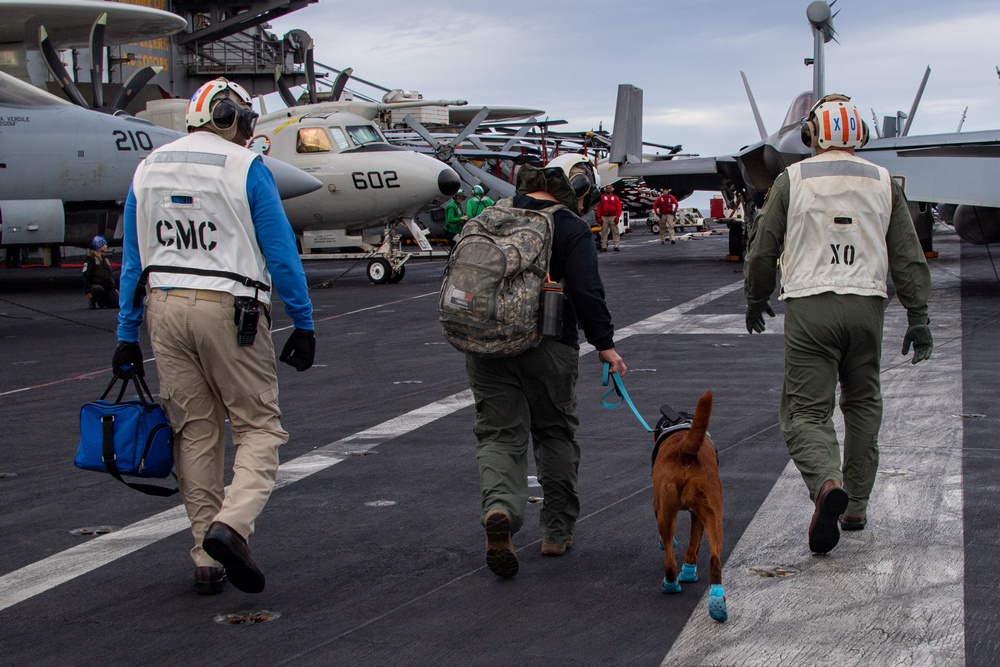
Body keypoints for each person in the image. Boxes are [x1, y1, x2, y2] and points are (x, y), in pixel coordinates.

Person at [114, 78, 316, 595]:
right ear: (232, 120)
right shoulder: (245, 167)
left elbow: (133, 261)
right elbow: (280, 252)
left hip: (164, 307)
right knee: (259, 428)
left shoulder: (148, 167)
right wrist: (304, 321)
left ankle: (206, 554)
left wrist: (125, 333)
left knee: (196, 432)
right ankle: (233, 527)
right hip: (233, 310)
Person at [743, 93, 932, 555]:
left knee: (806, 412)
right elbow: (908, 254)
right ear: (859, 135)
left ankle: (828, 484)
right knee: (864, 402)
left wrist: (755, 295)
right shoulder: (885, 181)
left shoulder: (793, 178)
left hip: (811, 307)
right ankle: (857, 506)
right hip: (867, 305)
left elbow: (764, 246)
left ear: (812, 135)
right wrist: (919, 315)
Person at [464, 154, 627, 578]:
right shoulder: (569, 225)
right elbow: (587, 292)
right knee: (554, 433)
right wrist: (605, 346)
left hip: (485, 345)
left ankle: (500, 508)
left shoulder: (490, 217)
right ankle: (556, 531)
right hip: (548, 343)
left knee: (499, 436)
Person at [83, 235, 119, 309]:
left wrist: (114, 288)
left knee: (116, 303)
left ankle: (103, 301)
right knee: (98, 290)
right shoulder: (90, 259)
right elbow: (86, 275)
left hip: (107, 285)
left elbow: (109, 275)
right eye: (104, 245)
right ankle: (93, 300)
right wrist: (87, 291)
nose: (106, 246)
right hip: (96, 285)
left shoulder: (105, 260)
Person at [595, 183, 623, 252]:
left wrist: (617, 216)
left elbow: (619, 207)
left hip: (613, 216)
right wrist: (599, 217)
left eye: (610, 188)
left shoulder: (615, 197)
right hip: (604, 217)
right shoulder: (602, 197)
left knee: (615, 231)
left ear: (612, 189)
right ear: (605, 189)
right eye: (607, 188)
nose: (608, 189)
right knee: (604, 231)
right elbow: (599, 207)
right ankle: (603, 246)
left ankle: (616, 245)